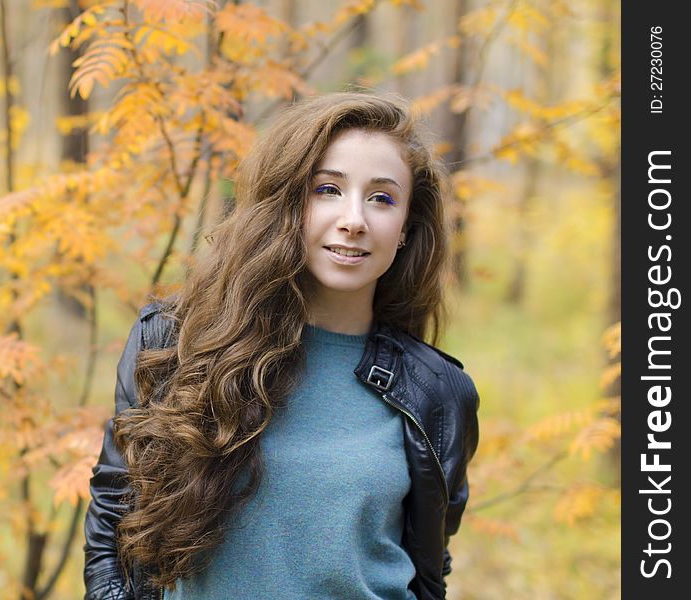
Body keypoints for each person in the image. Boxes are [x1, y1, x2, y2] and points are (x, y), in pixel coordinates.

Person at [83, 92, 480, 600]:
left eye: (381, 198)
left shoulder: (438, 393)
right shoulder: (177, 344)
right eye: (328, 189)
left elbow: (429, 567)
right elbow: (113, 529)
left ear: (404, 229)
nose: (354, 219)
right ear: (288, 202)